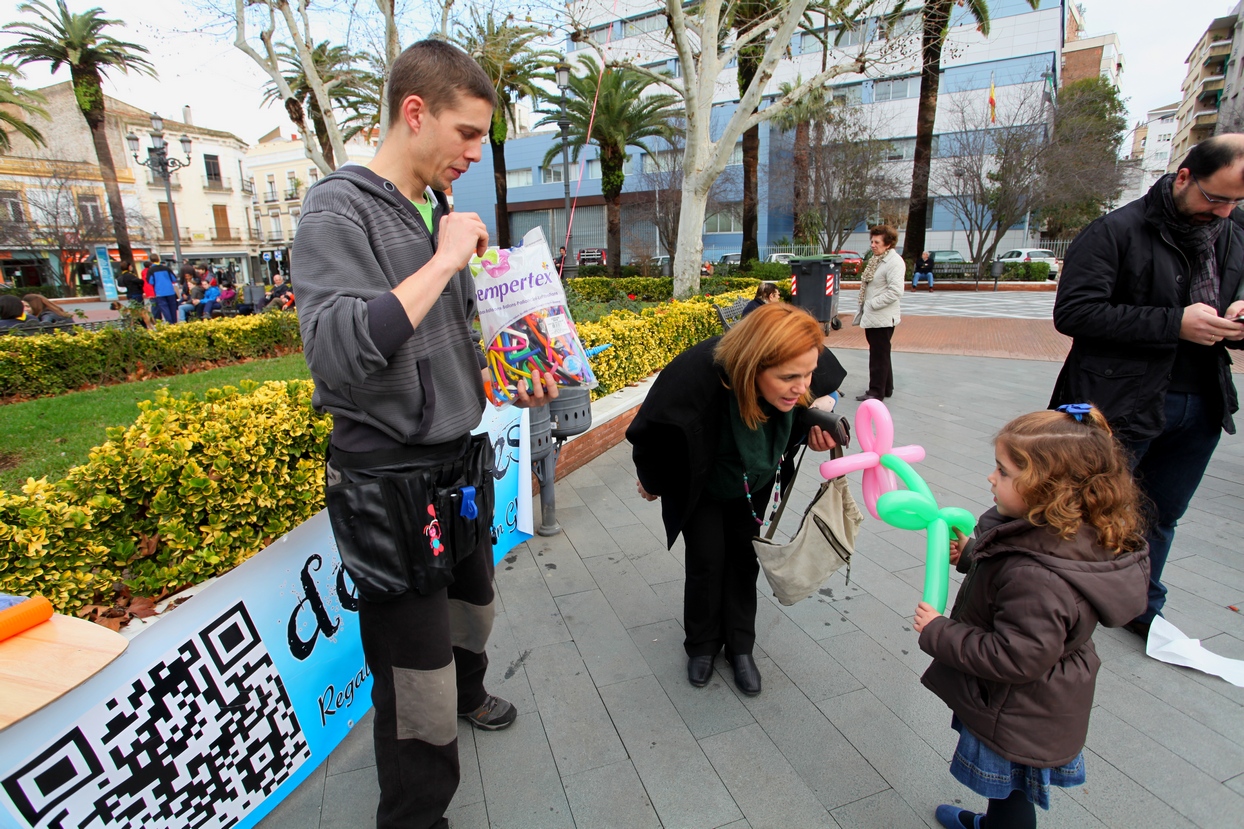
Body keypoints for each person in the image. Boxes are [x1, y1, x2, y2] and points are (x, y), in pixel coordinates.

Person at [293, 39, 560, 829]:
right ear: (416, 113)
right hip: (386, 481)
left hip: (458, 458)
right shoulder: (335, 208)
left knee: (474, 605)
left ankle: (472, 690)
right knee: (416, 677)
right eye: (467, 133)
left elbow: (442, 345)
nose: (476, 154)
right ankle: (414, 816)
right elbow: (338, 352)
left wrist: (513, 369)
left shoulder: (439, 213)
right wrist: (445, 261)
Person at [914, 405, 1148, 829]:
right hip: (1041, 702)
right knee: (1012, 794)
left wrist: (938, 632)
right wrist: (972, 553)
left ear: (1047, 490)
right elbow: (1016, 577)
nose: (991, 478)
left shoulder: (1037, 575)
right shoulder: (1059, 535)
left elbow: (1014, 655)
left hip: (1018, 707)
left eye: (1002, 472)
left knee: (1012, 795)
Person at [1049, 135, 1244, 639]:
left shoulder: (1231, 235)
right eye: (1214, 198)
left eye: (1234, 203)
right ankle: (1062, 606)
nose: (1222, 213)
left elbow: (1233, 297)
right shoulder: (1115, 231)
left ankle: (1141, 604)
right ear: (1183, 176)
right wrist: (1173, 323)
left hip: (1201, 401)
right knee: (1089, 511)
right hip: (1117, 404)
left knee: (1161, 515)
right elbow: (1074, 313)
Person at [627, 304, 846, 696]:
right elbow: (648, 434)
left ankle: (740, 646)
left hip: (756, 483)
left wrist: (820, 408)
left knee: (744, 560)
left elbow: (825, 388)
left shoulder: (800, 364)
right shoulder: (696, 375)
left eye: (807, 373)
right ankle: (702, 645)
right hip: (704, 485)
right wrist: (653, 481)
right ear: (753, 366)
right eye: (788, 377)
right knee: (707, 561)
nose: (801, 386)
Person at [854, 224, 904, 401]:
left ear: (888, 243)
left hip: (882, 317)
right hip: (875, 316)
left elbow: (896, 291)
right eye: (872, 241)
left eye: (877, 242)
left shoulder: (894, 262)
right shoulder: (878, 260)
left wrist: (872, 303)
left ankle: (876, 391)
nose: (873, 245)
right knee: (882, 353)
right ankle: (886, 387)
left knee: (878, 356)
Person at [146, 253, 179, 323]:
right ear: (158, 259)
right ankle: (175, 323)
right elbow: (174, 279)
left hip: (160, 292)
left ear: (151, 261)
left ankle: (170, 323)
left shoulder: (151, 270)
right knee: (172, 308)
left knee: (165, 309)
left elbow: (150, 281)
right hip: (170, 291)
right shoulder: (166, 268)